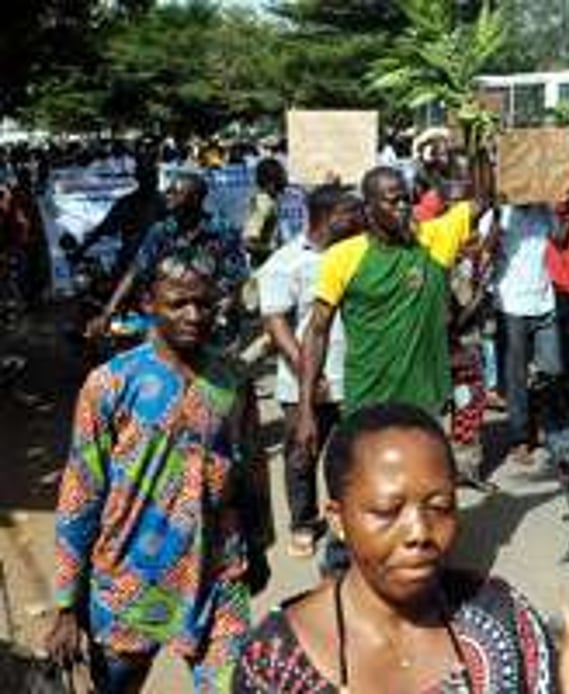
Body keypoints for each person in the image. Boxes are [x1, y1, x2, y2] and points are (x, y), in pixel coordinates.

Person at [233, 402, 569, 693]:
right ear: (338, 519)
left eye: (439, 506)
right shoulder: (274, 663)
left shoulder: (504, 619)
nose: (419, 532)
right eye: (387, 511)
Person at [46, 249, 258, 691]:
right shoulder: (110, 384)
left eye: (204, 302)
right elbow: (80, 493)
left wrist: (256, 545)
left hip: (218, 577)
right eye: (178, 303)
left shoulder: (233, 380)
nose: (194, 315)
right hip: (130, 579)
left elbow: (250, 470)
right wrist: (66, 604)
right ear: (148, 302)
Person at [295, 166, 476, 459]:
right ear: (368, 209)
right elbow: (317, 332)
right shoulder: (342, 258)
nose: (404, 207)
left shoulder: (433, 240)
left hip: (426, 404)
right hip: (368, 404)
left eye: (406, 199)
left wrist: (477, 137)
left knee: (421, 490)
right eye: (393, 201)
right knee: (374, 494)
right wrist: (306, 409)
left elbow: (483, 199)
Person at [259, 185, 362, 557]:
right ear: (327, 217)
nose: (359, 218)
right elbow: (276, 323)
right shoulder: (284, 263)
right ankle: (303, 523)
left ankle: (343, 519)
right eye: (351, 212)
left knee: (347, 455)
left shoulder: (357, 254)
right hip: (302, 383)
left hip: (351, 378)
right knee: (302, 454)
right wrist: (307, 370)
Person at [88, 172, 248, 344]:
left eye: (174, 192)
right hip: (173, 317)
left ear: (195, 199)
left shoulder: (221, 229)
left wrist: (218, 313)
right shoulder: (162, 230)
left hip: (211, 317)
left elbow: (236, 278)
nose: (167, 195)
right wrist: (108, 311)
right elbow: (136, 271)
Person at [492, 202, 565, 466]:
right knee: (516, 375)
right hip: (511, 303)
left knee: (552, 368)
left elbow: (561, 239)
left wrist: (560, 208)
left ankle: (540, 421)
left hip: (544, 301)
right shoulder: (502, 212)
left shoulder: (544, 210)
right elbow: (484, 246)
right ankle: (520, 437)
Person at [77, 154, 166, 273]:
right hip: (134, 263)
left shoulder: (156, 200)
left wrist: (81, 250)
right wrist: (81, 250)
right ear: (141, 180)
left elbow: (102, 229)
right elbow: (103, 229)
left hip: (146, 262)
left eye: (155, 178)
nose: (155, 182)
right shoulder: (130, 203)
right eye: (152, 178)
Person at [243, 158, 289, 266]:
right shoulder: (263, 203)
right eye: (281, 177)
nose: (284, 181)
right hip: (264, 269)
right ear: (271, 182)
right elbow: (248, 243)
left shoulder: (269, 201)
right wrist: (275, 250)